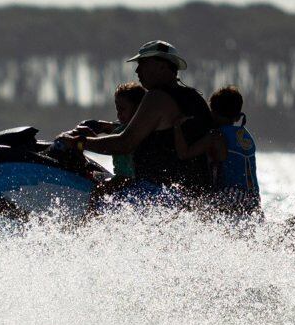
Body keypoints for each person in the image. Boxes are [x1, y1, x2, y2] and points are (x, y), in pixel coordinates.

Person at [64, 41, 217, 204]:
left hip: (161, 194)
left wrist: (79, 143)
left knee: (93, 198)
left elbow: (125, 143)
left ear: (162, 65)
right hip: (195, 195)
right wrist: (106, 127)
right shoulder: (196, 98)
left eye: (142, 63)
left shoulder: (157, 97)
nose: (137, 70)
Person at [206, 85, 261, 216]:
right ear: (237, 117)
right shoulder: (246, 135)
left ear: (213, 113)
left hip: (231, 192)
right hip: (253, 197)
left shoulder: (217, 136)